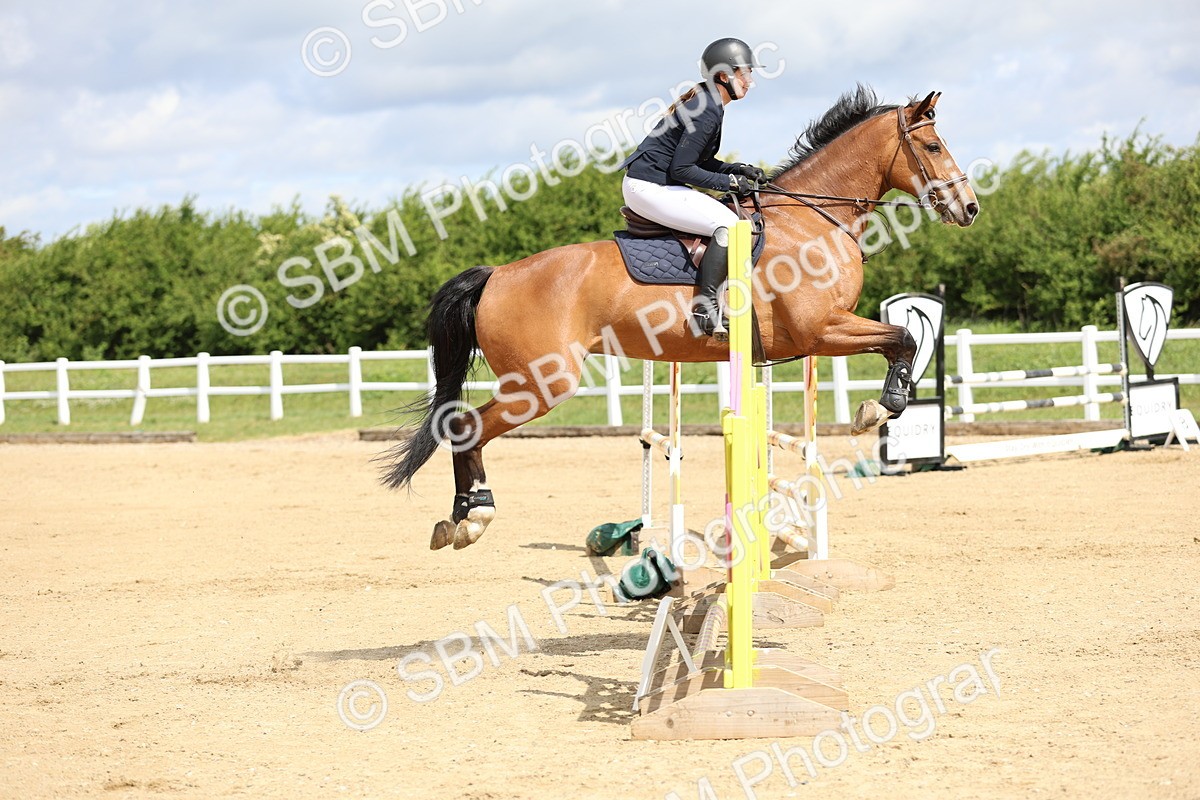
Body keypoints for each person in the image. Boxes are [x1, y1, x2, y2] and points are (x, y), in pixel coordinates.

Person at [620, 38, 766, 340]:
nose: (750, 82)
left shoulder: (710, 103)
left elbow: (699, 160)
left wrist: (735, 169)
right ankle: (706, 307)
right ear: (724, 76)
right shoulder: (707, 109)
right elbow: (682, 169)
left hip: (656, 183)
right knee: (730, 225)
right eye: (745, 73)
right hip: (649, 187)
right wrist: (729, 183)